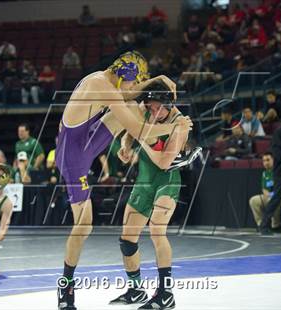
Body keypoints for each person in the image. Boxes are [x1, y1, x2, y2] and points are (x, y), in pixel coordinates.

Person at [55, 51, 192, 310]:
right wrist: (177, 127)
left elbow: (128, 94)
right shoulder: (100, 85)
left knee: (130, 106)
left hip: (84, 141)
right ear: (123, 76)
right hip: (74, 159)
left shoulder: (105, 80)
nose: (132, 87)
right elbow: (137, 127)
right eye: (132, 81)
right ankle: (66, 290)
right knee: (84, 226)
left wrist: (159, 78)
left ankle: (168, 152)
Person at [109, 81, 198, 309]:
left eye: (158, 108)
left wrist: (141, 137)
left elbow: (164, 161)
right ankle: (136, 289)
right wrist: (126, 145)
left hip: (166, 181)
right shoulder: (146, 110)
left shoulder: (181, 124)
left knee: (157, 232)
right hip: (144, 180)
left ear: (169, 104)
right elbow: (130, 128)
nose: (154, 112)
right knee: (127, 240)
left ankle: (165, 294)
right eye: (150, 107)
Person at [249, 152, 281, 231]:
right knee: (254, 200)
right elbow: (264, 189)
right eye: (264, 161)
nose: (266, 163)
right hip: (269, 196)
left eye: (268, 160)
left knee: (273, 200)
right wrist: (268, 195)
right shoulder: (265, 173)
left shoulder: (280, 170)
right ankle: (261, 224)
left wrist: (273, 195)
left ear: (274, 160)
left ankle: (276, 225)